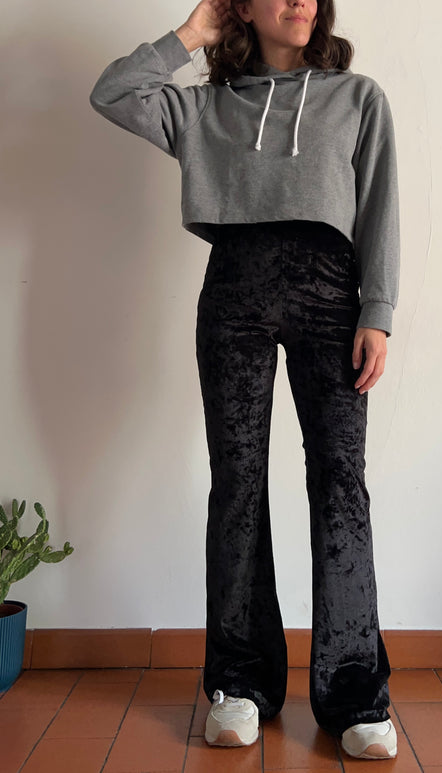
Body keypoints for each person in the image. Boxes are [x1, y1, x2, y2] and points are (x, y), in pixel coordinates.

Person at [89, 0, 400, 760]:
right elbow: (114, 91)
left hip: (332, 295)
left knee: (340, 481)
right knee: (236, 482)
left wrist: (379, 311)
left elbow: (380, 204)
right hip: (234, 291)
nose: (301, 2)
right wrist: (193, 33)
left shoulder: (357, 98)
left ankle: (355, 692)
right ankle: (239, 682)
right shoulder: (207, 109)